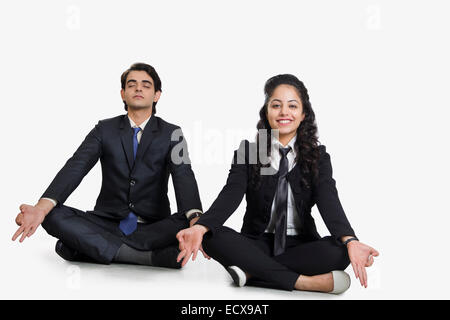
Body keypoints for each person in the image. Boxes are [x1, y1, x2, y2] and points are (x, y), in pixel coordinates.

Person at [176, 74, 379, 293]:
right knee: (211, 235)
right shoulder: (248, 152)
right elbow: (230, 194)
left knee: (340, 251)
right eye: (276, 105)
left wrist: (350, 240)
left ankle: (250, 272)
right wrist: (200, 227)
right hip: (257, 242)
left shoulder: (318, 156)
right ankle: (305, 282)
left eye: (292, 106)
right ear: (266, 112)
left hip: (301, 245)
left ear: (303, 115)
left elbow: (328, 199)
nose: (284, 112)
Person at [12, 62, 207, 269]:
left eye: (146, 85)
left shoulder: (172, 133)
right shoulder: (104, 129)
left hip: (153, 226)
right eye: (132, 85)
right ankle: (146, 256)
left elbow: (183, 175)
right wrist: (41, 208)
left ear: (157, 95)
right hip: (107, 222)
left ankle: (90, 248)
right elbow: (76, 166)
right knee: (51, 214)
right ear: (123, 94)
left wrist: (196, 219)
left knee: (188, 221)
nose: (138, 88)